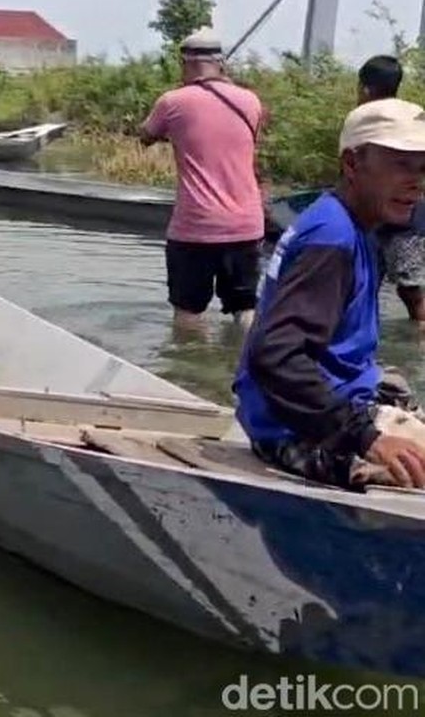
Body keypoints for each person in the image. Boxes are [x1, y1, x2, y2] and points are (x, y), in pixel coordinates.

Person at [234, 98, 425, 491]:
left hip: (335, 410)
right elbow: (275, 356)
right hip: (295, 431)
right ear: (352, 164)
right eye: (401, 164)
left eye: (422, 168)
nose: (415, 181)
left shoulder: (355, 225)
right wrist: (367, 438)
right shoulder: (332, 237)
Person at [139, 28, 265, 333]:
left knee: (188, 312)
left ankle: (190, 363)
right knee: (245, 308)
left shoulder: (172, 101)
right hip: (246, 226)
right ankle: (245, 358)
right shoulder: (251, 101)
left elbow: (145, 135)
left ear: (184, 63)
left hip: (195, 228)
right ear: (221, 63)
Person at [356, 56, 425, 323]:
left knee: (409, 292)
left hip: (395, 221)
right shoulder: (411, 116)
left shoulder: (364, 121)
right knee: (405, 290)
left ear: (365, 88)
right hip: (405, 216)